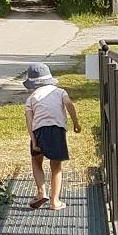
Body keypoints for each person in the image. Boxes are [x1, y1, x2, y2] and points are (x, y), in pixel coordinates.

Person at [23, 62, 81, 210]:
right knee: (56, 166)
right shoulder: (60, 92)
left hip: (39, 132)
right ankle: (55, 201)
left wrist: (34, 140)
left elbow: (29, 122)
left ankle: (41, 192)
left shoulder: (31, 98)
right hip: (57, 130)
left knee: (36, 161)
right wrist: (75, 122)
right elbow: (69, 105)